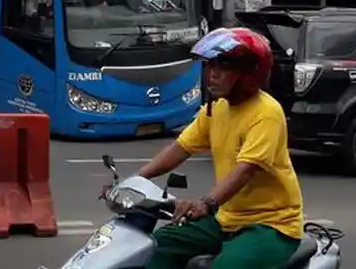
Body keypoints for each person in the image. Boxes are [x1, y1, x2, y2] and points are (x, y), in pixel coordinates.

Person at [123, 27, 303, 269]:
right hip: (226, 219)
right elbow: (179, 149)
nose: (212, 75)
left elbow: (245, 170)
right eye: (210, 66)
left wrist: (207, 202)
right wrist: (133, 181)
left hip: (270, 225)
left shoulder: (266, 113)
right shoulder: (216, 108)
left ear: (248, 73)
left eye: (223, 67)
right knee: (156, 246)